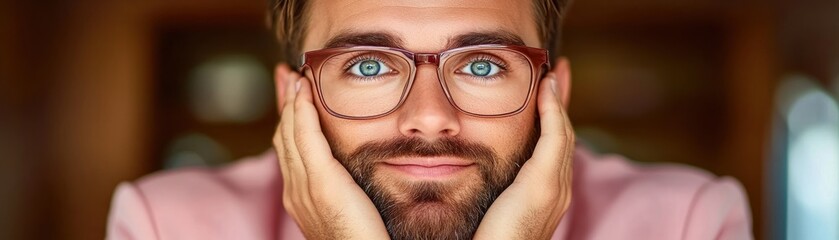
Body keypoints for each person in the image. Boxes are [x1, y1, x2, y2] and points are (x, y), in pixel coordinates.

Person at [106, 0, 754, 239]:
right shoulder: (165, 225)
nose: (428, 119)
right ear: (292, 97)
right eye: (367, 65)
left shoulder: (689, 221)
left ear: (551, 92)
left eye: (480, 65)